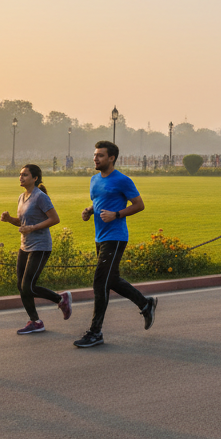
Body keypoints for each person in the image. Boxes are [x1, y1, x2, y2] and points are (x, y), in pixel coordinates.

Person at [73, 141, 156, 348]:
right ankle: (146, 304)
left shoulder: (122, 180)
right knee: (112, 280)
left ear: (111, 158)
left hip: (116, 237)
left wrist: (117, 214)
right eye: (95, 155)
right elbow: (100, 201)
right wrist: (89, 210)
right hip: (99, 237)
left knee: (100, 283)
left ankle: (95, 332)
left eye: (100, 155)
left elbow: (139, 205)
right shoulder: (94, 180)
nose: (95, 158)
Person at [0, 164, 71, 334]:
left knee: (28, 286)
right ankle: (36, 322)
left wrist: (32, 228)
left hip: (40, 246)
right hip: (25, 246)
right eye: (20, 174)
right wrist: (10, 219)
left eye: (25, 174)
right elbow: (23, 222)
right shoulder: (21, 197)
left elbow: (55, 219)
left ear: (35, 178)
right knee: (21, 285)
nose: (21, 177)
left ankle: (61, 299)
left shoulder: (40, 197)